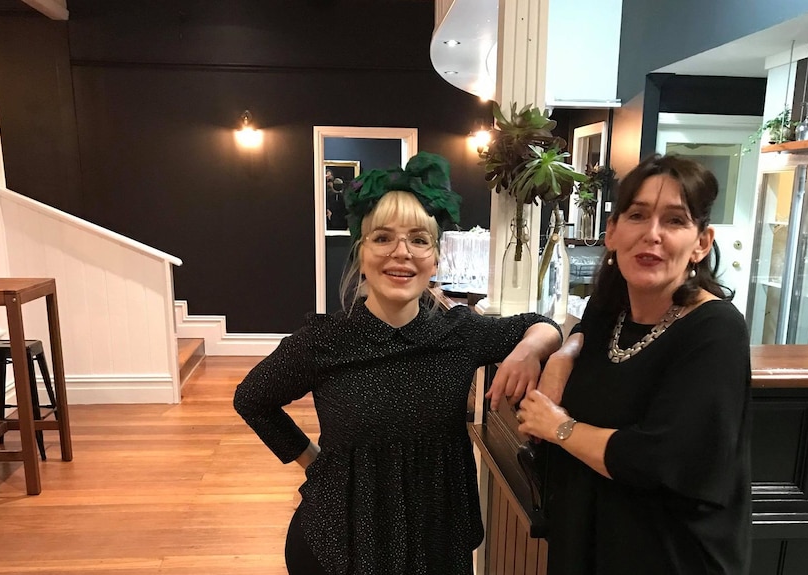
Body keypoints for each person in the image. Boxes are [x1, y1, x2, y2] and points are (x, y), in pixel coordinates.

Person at [234, 151, 563, 575]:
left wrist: (527, 350)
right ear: (361, 252)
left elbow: (545, 325)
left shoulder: (458, 333)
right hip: (343, 541)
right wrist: (316, 463)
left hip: (436, 540)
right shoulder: (325, 340)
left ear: (436, 257)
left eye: (419, 239)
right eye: (383, 237)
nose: (401, 252)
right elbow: (252, 400)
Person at [515, 154, 752, 575]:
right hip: (590, 543)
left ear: (702, 242)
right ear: (612, 232)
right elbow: (582, 336)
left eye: (675, 220)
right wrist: (562, 357)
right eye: (638, 215)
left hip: (670, 555)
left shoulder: (716, 331)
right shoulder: (609, 309)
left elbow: (657, 459)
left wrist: (558, 427)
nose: (652, 234)